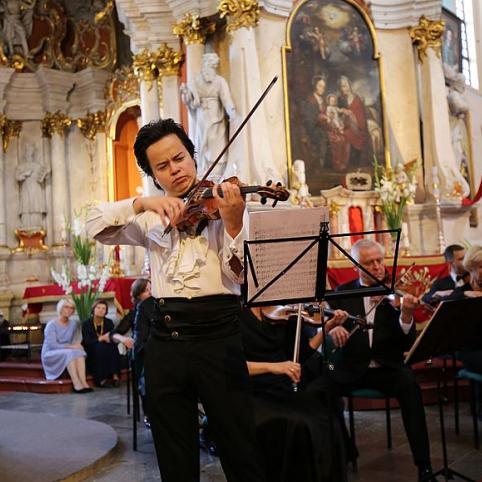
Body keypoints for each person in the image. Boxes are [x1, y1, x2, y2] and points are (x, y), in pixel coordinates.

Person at [86, 118, 265, 482]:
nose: (175, 169)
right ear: (154, 175)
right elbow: (93, 224)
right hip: (166, 343)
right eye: (162, 166)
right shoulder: (150, 218)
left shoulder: (227, 207)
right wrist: (142, 203)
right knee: (174, 458)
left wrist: (233, 225)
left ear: (192, 155)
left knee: (241, 449)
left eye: (180, 158)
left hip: (219, 340)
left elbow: (241, 278)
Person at [318, 239, 433, 481]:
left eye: (380, 261)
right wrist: (332, 328)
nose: (377, 266)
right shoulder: (342, 293)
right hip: (350, 368)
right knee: (321, 388)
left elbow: (406, 343)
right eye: (369, 263)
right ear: (356, 267)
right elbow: (325, 319)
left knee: (410, 387)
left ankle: (424, 466)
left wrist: (406, 315)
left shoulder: (393, 296)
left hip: (387, 369)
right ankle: (344, 453)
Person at [239, 306, 347, 482]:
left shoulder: (282, 315)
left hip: (281, 390)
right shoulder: (234, 315)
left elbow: (300, 355)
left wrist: (328, 326)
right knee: (297, 426)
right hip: (251, 393)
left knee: (327, 419)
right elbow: (231, 364)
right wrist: (273, 366)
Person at [180, 52, 236, 177]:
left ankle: (217, 172)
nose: (211, 69)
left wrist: (231, 110)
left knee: (217, 145)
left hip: (216, 118)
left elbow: (226, 98)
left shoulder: (220, 81)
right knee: (201, 144)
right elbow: (191, 101)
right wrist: (186, 94)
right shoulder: (195, 81)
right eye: (210, 65)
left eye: (214, 66)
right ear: (204, 65)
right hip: (202, 117)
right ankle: (203, 170)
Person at [441, 245, 482, 373]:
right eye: (481, 267)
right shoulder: (462, 291)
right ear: (471, 269)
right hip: (471, 350)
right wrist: (465, 294)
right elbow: (445, 302)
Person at [41, 299, 93, 393]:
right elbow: (53, 345)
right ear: (60, 308)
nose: (69, 310)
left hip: (66, 350)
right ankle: (76, 383)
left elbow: (73, 341)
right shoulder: (51, 324)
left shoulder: (73, 324)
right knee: (70, 352)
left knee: (79, 352)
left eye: (71, 308)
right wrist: (72, 347)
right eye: (66, 307)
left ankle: (83, 382)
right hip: (50, 353)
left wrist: (77, 345)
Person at [81, 300, 122, 388]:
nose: (101, 310)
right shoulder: (86, 324)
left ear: (106, 311)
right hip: (92, 349)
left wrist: (114, 338)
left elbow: (112, 335)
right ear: (93, 309)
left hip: (107, 346)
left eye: (104, 309)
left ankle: (115, 376)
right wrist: (100, 338)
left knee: (113, 347)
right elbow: (87, 341)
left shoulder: (109, 322)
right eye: (98, 308)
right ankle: (100, 379)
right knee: (99, 347)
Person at [337, 75, 371, 168]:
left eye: (344, 86)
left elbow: (361, 118)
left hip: (358, 128)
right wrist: (344, 115)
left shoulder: (357, 99)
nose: (342, 89)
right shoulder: (340, 99)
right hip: (345, 126)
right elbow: (337, 115)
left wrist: (351, 116)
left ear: (349, 86)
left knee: (354, 136)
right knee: (342, 136)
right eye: (340, 87)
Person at [15, 143, 50, 229]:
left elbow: (43, 176)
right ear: (26, 153)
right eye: (28, 151)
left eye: (31, 151)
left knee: (35, 205)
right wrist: (25, 174)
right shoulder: (21, 166)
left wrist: (46, 173)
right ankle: (26, 225)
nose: (29, 153)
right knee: (26, 206)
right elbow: (17, 177)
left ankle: (36, 225)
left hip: (35, 188)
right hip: (26, 188)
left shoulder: (37, 165)